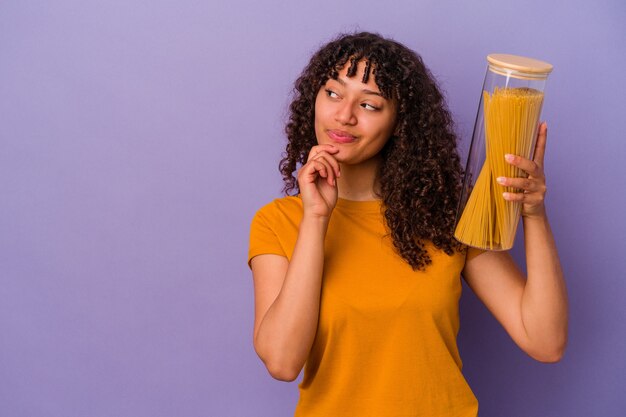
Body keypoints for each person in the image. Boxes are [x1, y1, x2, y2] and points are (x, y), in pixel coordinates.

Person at [247, 32, 568, 417]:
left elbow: (545, 341)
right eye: (333, 93)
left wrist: (533, 214)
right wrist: (317, 218)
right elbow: (282, 362)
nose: (344, 115)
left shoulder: (443, 216)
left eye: (369, 104)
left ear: (401, 123)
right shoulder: (278, 222)